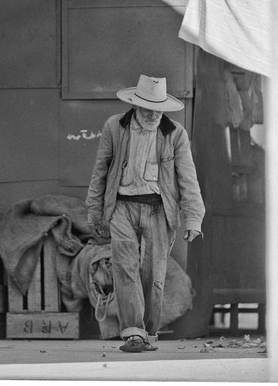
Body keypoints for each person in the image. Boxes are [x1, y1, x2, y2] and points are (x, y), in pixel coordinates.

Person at [86, 74, 205, 352]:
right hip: (122, 207)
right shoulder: (114, 127)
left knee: (154, 274)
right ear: (135, 105)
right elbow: (100, 171)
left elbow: (188, 179)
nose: (153, 114)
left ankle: (148, 334)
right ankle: (133, 333)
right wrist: (94, 212)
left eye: (158, 108)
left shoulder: (175, 133)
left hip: (158, 209)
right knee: (124, 268)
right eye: (147, 107)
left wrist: (193, 218)